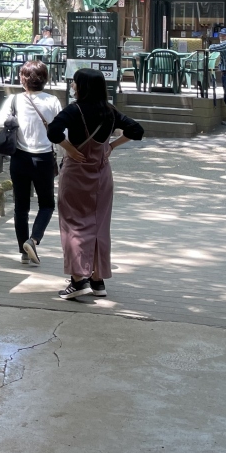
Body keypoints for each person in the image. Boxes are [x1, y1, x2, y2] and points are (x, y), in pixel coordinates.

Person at [47, 68, 145, 298]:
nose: (72, 85)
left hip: (76, 175)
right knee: (99, 226)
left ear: (82, 86)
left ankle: (78, 280)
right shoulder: (109, 111)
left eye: (74, 82)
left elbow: (53, 131)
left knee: (74, 225)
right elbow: (136, 130)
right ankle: (97, 280)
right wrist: (112, 146)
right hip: (101, 175)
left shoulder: (74, 110)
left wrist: (70, 149)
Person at [0, 60, 62, 267]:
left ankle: (23, 252)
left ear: (23, 79)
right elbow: (61, 132)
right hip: (44, 159)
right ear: (45, 79)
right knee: (47, 204)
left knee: (20, 207)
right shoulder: (53, 101)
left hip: (20, 158)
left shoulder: (14, 100)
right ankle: (34, 239)